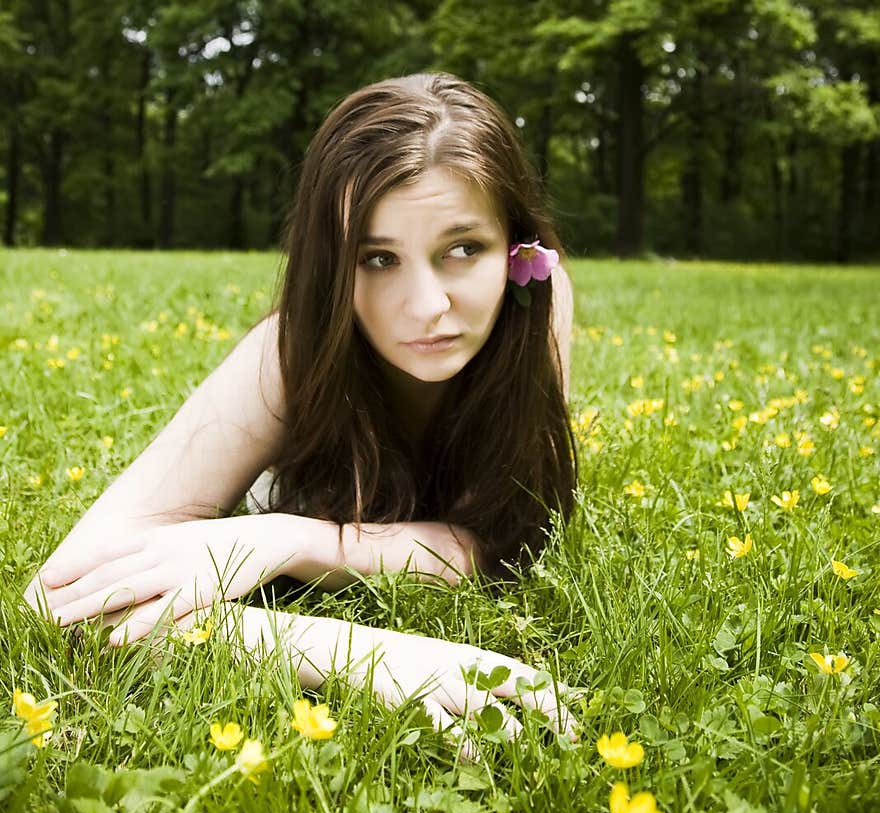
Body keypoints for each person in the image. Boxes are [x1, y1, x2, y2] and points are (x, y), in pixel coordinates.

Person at [23, 71, 579, 743]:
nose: (428, 305)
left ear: (519, 250)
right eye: (376, 259)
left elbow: (499, 542)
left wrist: (291, 540)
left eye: (463, 249)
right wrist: (369, 658)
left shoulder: (536, 310)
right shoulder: (289, 351)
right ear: (327, 266)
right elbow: (59, 599)